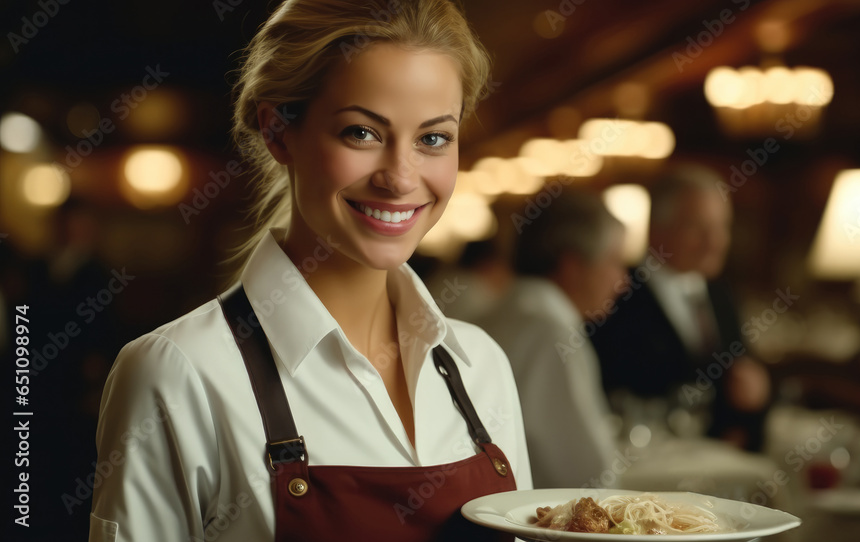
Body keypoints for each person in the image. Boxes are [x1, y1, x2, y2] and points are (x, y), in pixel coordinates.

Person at [89, 2, 531, 541]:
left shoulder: (482, 365)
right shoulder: (178, 372)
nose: (400, 177)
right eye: (362, 133)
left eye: (433, 138)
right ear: (278, 131)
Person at [590, 163, 771, 451]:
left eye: (721, 227)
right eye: (697, 227)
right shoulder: (616, 292)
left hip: (715, 465)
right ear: (656, 229)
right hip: (642, 465)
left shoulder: (721, 294)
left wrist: (756, 394)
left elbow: (740, 376)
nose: (714, 242)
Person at [478, 189, 626, 489]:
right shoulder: (550, 333)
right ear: (571, 266)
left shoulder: (501, 312)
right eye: (614, 261)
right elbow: (589, 473)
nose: (622, 280)